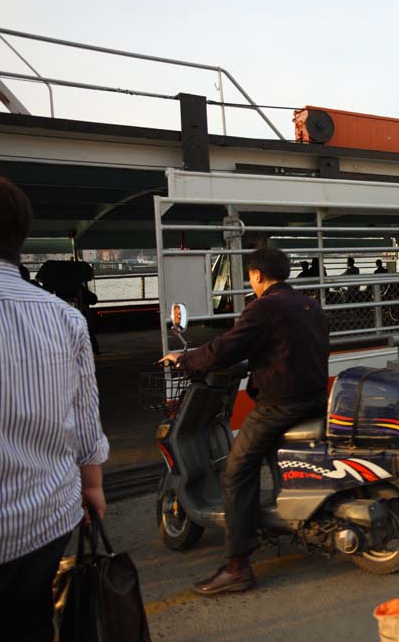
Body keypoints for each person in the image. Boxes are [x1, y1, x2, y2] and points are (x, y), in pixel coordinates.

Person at [0, 170, 109, 641]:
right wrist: (93, 489)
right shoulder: (64, 316)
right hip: (46, 523)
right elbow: (85, 420)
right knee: (30, 627)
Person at [160, 246, 330, 594]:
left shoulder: (264, 308)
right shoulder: (309, 305)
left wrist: (185, 359)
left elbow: (226, 347)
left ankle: (237, 567)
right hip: (314, 400)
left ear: (256, 275)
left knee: (236, 471)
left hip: (280, 406)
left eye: (250, 277)